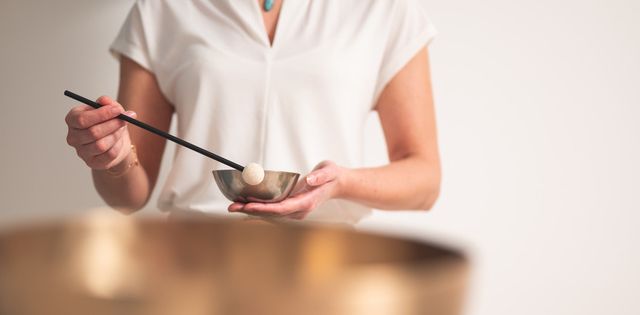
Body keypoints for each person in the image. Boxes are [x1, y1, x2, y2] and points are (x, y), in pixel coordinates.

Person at [65, 0, 441, 224]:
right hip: (192, 270)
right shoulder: (164, 8)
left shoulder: (383, 9)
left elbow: (424, 180)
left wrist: (341, 183)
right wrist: (112, 158)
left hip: (328, 273)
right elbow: (130, 194)